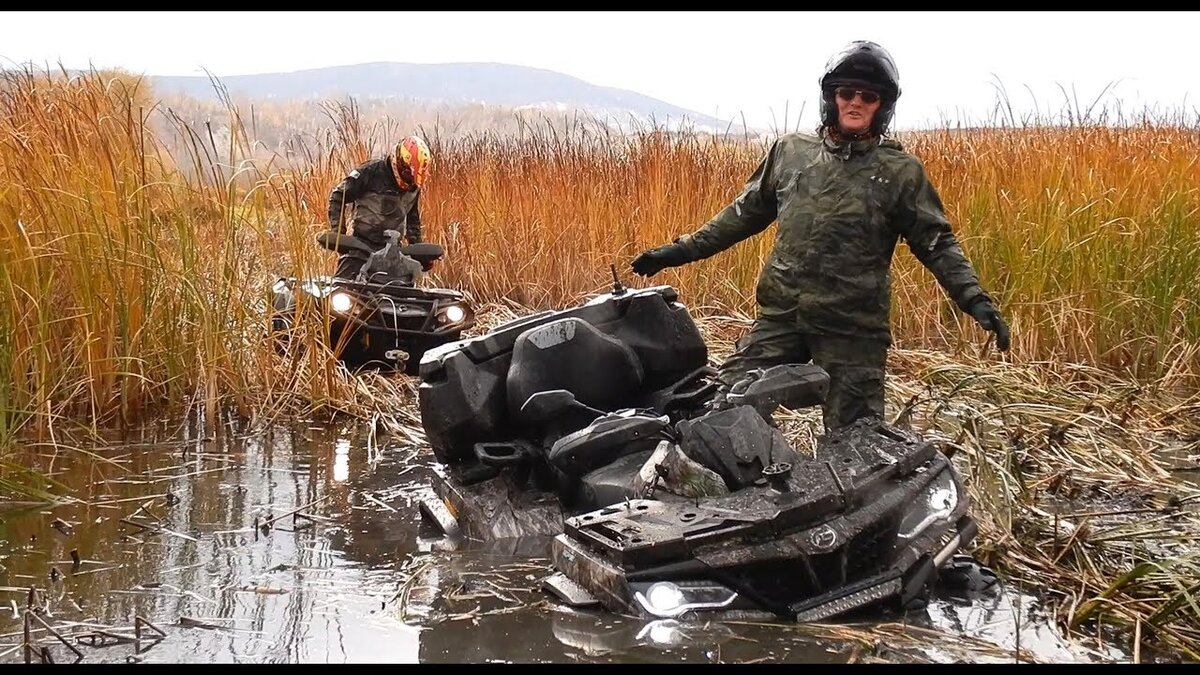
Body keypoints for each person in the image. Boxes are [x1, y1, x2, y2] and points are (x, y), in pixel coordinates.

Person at [629, 40, 1010, 432]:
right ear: (831, 98)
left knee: (856, 442)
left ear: (883, 106)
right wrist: (677, 252)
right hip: (782, 318)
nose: (856, 103)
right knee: (720, 413)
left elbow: (937, 243)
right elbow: (739, 217)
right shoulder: (791, 153)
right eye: (846, 93)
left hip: (853, 329)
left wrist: (975, 300)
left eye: (868, 96)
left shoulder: (900, 172)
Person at [327, 134, 432, 280]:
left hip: (395, 254)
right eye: (408, 175)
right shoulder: (370, 171)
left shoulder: (414, 186)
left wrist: (419, 251)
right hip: (360, 250)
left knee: (409, 293)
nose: (410, 181)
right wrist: (339, 234)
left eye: (413, 177)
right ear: (400, 163)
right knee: (340, 288)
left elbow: (412, 218)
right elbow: (338, 195)